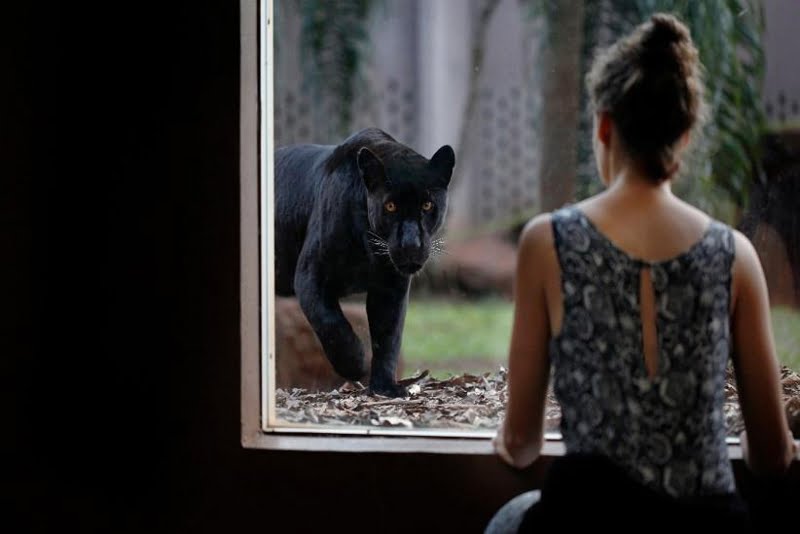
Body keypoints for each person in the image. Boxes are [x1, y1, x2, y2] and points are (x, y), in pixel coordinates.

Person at [486, 12, 798, 533]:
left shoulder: (548, 242)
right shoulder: (734, 255)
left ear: (605, 126)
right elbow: (771, 457)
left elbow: (521, 445)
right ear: (684, 137)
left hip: (583, 520)